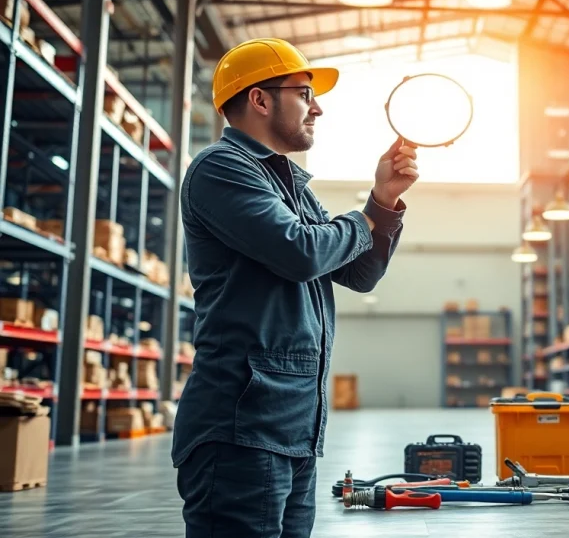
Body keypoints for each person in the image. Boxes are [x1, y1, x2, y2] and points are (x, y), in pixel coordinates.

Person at [171, 38, 418, 538]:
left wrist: (383, 201)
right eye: (305, 94)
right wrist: (363, 219)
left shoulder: (291, 189)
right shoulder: (220, 169)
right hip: (242, 427)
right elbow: (301, 252)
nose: (317, 108)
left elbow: (359, 273)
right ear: (260, 100)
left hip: (293, 427)